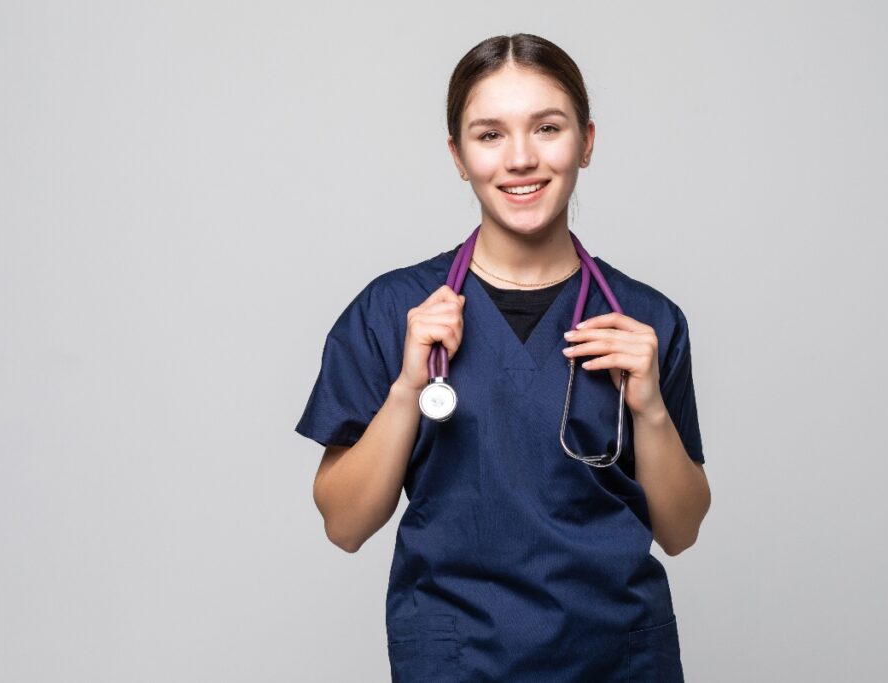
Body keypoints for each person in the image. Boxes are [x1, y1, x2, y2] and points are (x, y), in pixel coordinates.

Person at [296, 32, 711, 683]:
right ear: (459, 156)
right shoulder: (391, 312)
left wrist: (651, 408)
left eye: (547, 128)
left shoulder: (645, 320)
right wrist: (408, 387)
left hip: (621, 658)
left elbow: (681, 529)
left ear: (587, 141)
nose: (521, 158)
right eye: (490, 135)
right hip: (461, 662)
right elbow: (345, 525)